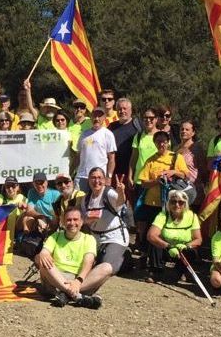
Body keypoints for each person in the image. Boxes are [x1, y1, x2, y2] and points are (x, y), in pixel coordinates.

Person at [135, 130, 189, 275]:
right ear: (154, 143)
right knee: (153, 235)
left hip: (172, 204)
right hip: (152, 203)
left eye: (164, 141)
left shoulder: (176, 157)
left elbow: (186, 174)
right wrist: (156, 181)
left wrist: (172, 172)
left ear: (168, 142)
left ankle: (176, 265)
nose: (161, 144)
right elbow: (143, 182)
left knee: (171, 234)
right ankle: (154, 266)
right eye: (158, 141)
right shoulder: (150, 160)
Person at [77, 167, 129, 298]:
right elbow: (82, 221)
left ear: (105, 180)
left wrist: (121, 192)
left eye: (99, 178)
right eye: (93, 177)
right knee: (84, 263)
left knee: (106, 265)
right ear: (88, 180)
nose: (96, 181)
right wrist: (88, 220)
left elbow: (120, 202)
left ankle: (79, 290)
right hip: (95, 238)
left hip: (114, 237)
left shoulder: (109, 193)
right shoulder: (85, 199)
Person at [35, 207, 101, 308]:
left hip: (77, 278)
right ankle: (76, 295)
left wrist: (78, 281)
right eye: (68, 220)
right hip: (55, 276)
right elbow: (45, 252)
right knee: (42, 259)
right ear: (63, 222)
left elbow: (89, 262)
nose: (72, 223)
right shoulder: (55, 236)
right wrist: (43, 253)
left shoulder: (89, 239)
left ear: (82, 222)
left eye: (75, 219)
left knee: (106, 268)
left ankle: (65, 293)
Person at [146, 190, 202, 282]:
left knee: (191, 252)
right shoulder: (163, 215)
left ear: (185, 204)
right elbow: (151, 235)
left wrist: (187, 246)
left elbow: (198, 239)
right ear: (168, 203)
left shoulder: (192, 216)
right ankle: (156, 271)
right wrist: (168, 246)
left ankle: (180, 271)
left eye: (181, 202)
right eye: (173, 202)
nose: (177, 205)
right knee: (154, 243)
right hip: (167, 248)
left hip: (183, 250)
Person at [75, 107, 117, 193]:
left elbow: (112, 159)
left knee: (97, 204)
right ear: (90, 117)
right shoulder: (84, 134)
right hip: (82, 177)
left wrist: (108, 177)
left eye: (99, 116)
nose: (96, 119)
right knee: (79, 203)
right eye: (94, 116)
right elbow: (78, 156)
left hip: (98, 178)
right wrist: (71, 172)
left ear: (104, 118)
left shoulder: (108, 134)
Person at [109, 98, 141, 187]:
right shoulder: (111, 127)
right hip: (115, 172)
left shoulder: (138, 127)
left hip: (132, 173)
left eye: (124, 108)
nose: (122, 111)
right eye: (119, 109)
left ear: (131, 110)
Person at [18, 172, 61, 236]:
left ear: (46, 182)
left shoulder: (56, 194)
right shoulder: (32, 192)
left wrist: (47, 222)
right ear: (33, 184)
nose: (39, 185)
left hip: (53, 221)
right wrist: (41, 217)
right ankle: (26, 240)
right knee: (27, 218)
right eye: (36, 183)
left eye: (41, 182)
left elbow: (58, 216)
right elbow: (29, 211)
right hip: (40, 219)